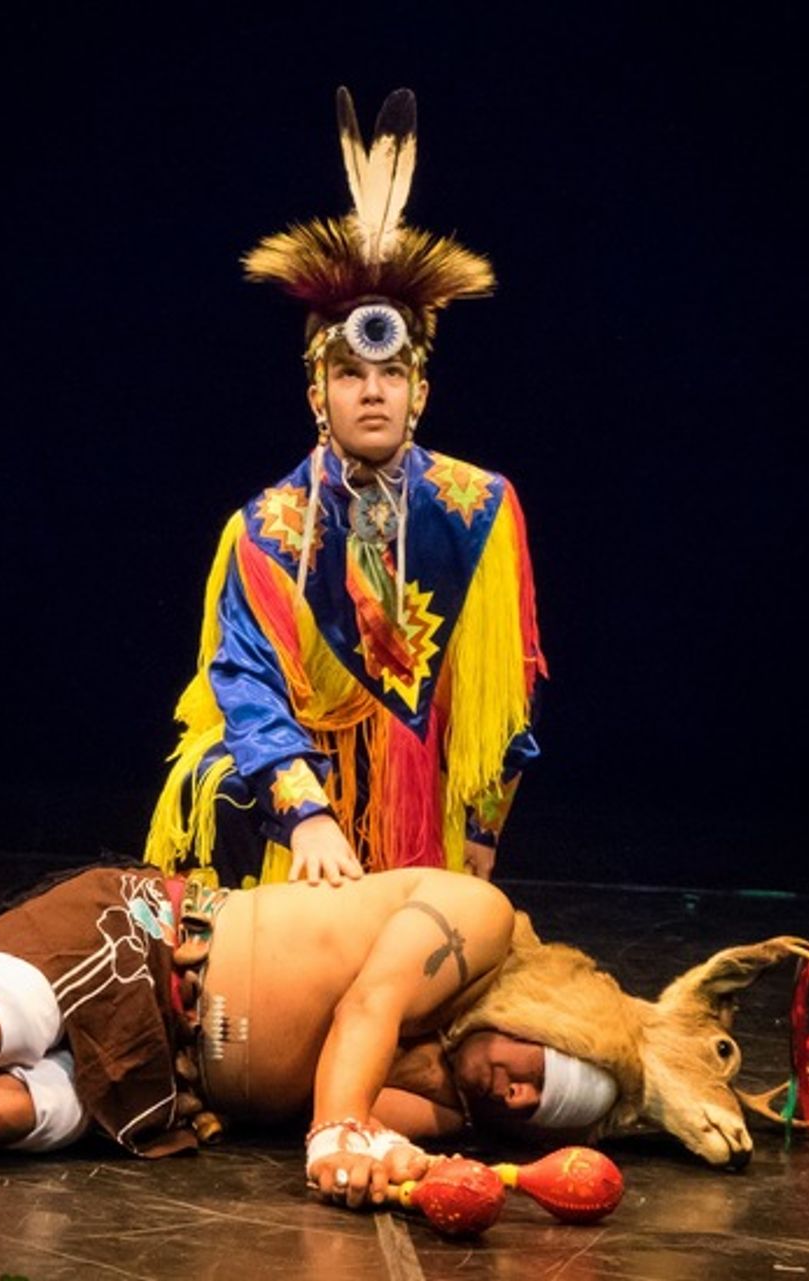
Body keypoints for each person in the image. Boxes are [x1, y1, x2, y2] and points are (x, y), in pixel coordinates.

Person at [0, 863, 618, 1208]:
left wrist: (384, 1156)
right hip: (140, 945)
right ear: (542, 1020)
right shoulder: (478, 921)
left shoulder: (453, 1103)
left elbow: (339, 1116)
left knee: (2, 1113)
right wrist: (339, 1133)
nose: (519, 1101)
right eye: (539, 1074)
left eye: (533, 1116)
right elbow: (360, 1015)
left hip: (156, 1084)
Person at [144, 87, 546, 890]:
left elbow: (509, 689)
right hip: (295, 802)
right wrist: (307, 813)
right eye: (350, 374)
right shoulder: (266, 530)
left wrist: (483, 826)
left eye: (392, 373)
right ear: (316, 395)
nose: (373, 391)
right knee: (212, 775)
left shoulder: (479, 509)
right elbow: (246, 679)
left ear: (419, 393)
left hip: (421, 801)